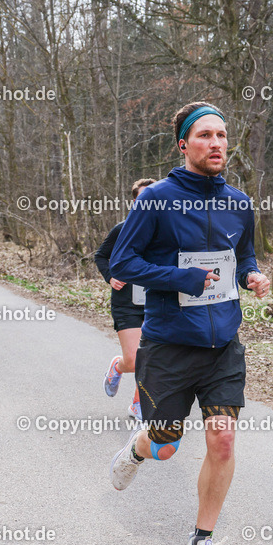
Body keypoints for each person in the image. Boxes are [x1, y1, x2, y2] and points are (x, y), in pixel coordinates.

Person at [108, 101, 271, 545]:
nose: (216, 143)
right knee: (165, 442)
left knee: (222, 438)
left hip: (223, 343)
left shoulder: (238, 202)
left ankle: (201, 544)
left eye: (221, 135)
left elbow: (243, 255)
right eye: (204, 135)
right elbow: (122, 264)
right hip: (170, 344)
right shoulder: (156, 199)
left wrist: (253, 275)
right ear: (183, 144)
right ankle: (137, 449)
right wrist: (181, 278)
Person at [95, 178, 157, 420]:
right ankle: (117, 366)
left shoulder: (168, 231)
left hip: (157, 300)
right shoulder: (122, 229)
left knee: (152, 357)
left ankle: (138, 404)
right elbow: (101, 256)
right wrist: (110, 277)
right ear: (135, 202)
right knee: (133, 359)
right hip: (127, 301)